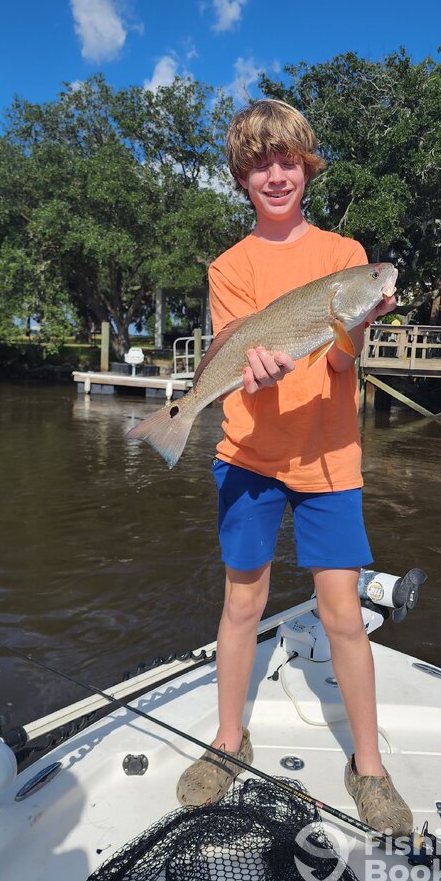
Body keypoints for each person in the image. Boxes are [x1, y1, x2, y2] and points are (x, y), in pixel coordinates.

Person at [176, 99, 412, 836]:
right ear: (242, 179)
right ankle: (228, 739)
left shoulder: (345, 255)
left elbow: (342, 362)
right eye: (259, 166)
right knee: (242, 605)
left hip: (329, 458)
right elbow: (239, 361)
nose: (276, 176)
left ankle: (369, 767)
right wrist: (253, 374)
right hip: (247, 455)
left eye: (288, 162)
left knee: (342, 614)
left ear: (307, 168)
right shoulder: (229, 266)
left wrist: (355, 326)